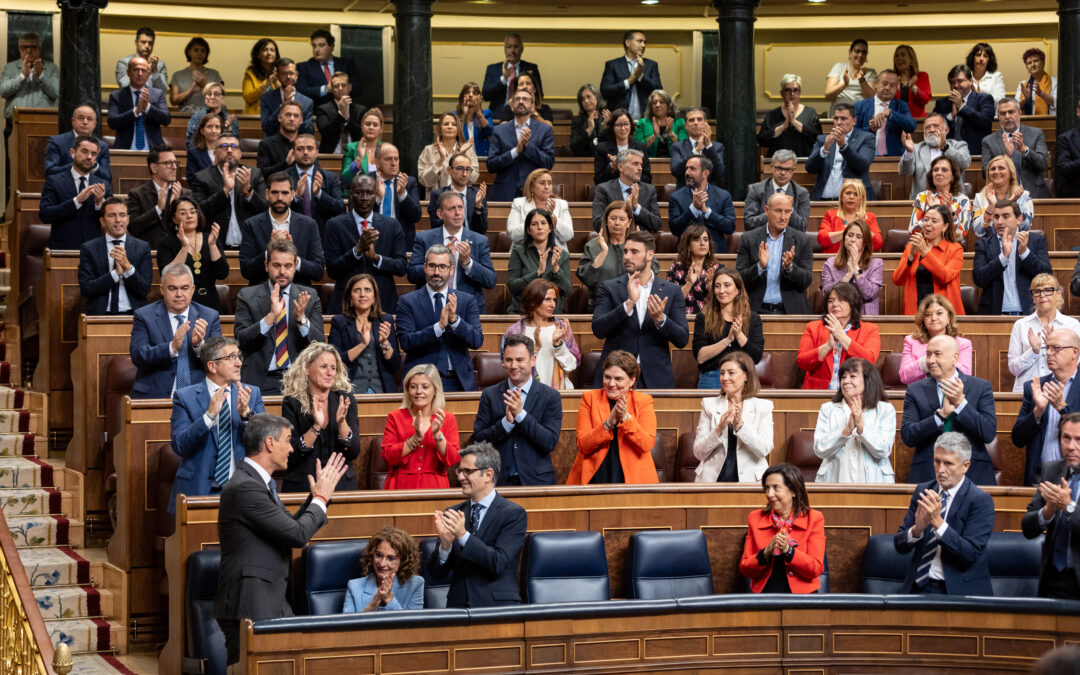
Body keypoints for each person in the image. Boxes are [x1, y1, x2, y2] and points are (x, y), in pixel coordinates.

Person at [214, 415, 347, 666]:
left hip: (269, 600)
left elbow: (290, 529)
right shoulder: (246, 487)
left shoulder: (258, 484)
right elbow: (297, 535)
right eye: (288, 440)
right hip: (251, 603)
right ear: (269, 443)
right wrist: (321, 499)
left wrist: (314, 497)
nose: (292, 447)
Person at [169, 335, 263, 513]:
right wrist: (208, 416)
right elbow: (179, 445)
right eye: (231, 358)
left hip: (244, 490)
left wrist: (247, 416)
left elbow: (265, 443)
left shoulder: (252, 394)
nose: (238, 363)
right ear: (212, 366)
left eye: (239, 357)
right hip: (200, 490)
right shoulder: (185, 397)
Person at [894, 432, 995, 595]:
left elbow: (969, 554)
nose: (940, 470)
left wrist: (938, 522)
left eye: (948, 463)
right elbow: (899, 546)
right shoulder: (923, 491)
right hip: (918, 587)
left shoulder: (980, 500)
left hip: (959, 591)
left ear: (966, 466)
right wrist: (916, 530)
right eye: (937, 461)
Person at [428, 442, 527, 607]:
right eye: (460, 471)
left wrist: (463, 536)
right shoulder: (454, 513)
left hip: (497, 608)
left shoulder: (513, 514)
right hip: (458, 607)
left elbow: (499, 563)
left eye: (467, 471)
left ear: (488, 475)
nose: (460, 477)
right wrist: (445, 546)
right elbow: (435, 574)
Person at [591, 231, 689, 388]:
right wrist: (628, 304)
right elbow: (598, 329)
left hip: (655, 377)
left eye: (634, 252)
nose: (627, 257)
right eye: (625, 251)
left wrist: (661, 319)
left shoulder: (672, 291)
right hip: (615, 378)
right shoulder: (609, 287)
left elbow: (682, 339)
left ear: (650, 255)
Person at [900, 335, 997, 485]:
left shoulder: (980, 387)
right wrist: (940, 416)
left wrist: (961, 404)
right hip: (928, 474)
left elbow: (988, 432)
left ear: (955, 358)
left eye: (937, 354)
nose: (931, 361)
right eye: (928, 355)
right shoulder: (915, 390)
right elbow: (908, 436)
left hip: (973, 474)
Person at [234, 239, 324, 396]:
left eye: (288, 266)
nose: (282, 271)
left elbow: (319, 344)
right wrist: (270, 317)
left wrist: (301, 320)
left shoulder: (309, 296)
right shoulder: (247, 296)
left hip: (298, 378)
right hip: (261, 379)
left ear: (295, 265)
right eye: (276, 265)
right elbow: (241, 340)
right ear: (266, 266)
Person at [472, 335, 562, 486]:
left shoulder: (550, 396)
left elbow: (549, 442)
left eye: (520, 360)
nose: (513, 366)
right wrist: (505, 424)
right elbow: (478, 441)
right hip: (498, 481)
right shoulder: (490, 395)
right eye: (508, 360)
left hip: (536, 481)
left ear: (532, 360)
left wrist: (521, 416)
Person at [396, 245, 483, 392]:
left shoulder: (466, 300)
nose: (436, 272)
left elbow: (476, 341)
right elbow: (406, 342)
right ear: (425, 267)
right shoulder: (407, 301)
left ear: (451, 270)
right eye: (432, 266)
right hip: (421, 383)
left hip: (457, 382)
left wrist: (455, 320)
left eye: (442, 267)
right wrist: (438, 327)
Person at [130, 262, 222, 398]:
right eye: (172, 288)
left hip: (197, 397)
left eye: (184, 288)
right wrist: (171, 347)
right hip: (155, 395)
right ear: (162, 290)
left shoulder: (209, 316)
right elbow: (138, 355)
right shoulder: (144, 316)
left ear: (192, 289)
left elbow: (218, 360)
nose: (179, 294)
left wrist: (199, 346)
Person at [568, 350, 658, 485]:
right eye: (607, 377)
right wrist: (608, 424)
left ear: (632, 380)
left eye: (618, 379)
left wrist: (627, 419)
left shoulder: (644, 401)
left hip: (633, 477)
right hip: (596, 474)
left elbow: (646, 444)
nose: (611, 383)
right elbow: (583, 445)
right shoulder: (589, 399)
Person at [281, 343, 361, 493]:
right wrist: (316, 426)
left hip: (341, 485)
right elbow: (290, 454)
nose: (330, 373)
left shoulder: (345, 399)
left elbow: (354, 451)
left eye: (333, 368)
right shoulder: (292, 402)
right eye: (323, 367)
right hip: (303, 485)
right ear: (307, 368)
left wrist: (341, 423)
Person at [324, 174, 407, 314]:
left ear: (375, 194)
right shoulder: (334, 225)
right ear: (351, 194)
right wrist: (357, 251)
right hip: (346, 304)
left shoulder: (392, 225)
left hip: (383, 302)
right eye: (359, 192)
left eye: (369, 193)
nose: (364, 197)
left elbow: (401, 266)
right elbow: (332, 270)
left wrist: (376, 258)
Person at [739, 464, 826, 593]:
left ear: (794, 491)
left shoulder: (814, 518)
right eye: (767, 488)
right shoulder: (755, 518)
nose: (769, 494)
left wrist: (789, 551)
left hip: (803, 596)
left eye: (776, 488)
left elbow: (815, 568)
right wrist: (765, 554)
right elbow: (745, 568)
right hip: (766, 595)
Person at [1021, 411, 1080, 598]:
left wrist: (1069, 506)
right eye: (1066, 438)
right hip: (1053, 578)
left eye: (1079, 440)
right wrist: (1048, 511)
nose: (1071, 446)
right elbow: (1027, 528)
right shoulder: (1052, 470)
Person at [691, 351, 773, 482]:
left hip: (750, 481)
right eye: (722, 373)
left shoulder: (763, 407)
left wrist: (741, 427)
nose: (724, 377)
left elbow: (764, 449)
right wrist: (719, 428)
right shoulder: (709, 405)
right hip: (712, 480)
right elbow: (698, 452)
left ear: (746, 376)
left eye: (731, 373)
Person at [409, 191, 496, 312]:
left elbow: (490, 280)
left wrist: (468, 263)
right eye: (452, 209)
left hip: (467, 309)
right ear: (440, 213)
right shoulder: (424, 238)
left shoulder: (479, 241)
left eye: (460, 207)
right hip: (431, 307)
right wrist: (440, 259)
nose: (458, 213)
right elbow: (412, 274)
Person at [1014, 330, 1080, 487]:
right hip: (1040, 480)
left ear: (1074, 352)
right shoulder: (1035, 387)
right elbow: (1018, 439)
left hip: (1076, 479)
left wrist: (1062, 408)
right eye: (1047, 348)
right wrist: (1037, 411)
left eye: (1055, 348)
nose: (1049, 353)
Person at [813, 358, 895, 483]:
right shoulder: (828, 409)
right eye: (843, 377)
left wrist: (862, 428)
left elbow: (884, 450)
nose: (846, 381)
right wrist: (845, 432)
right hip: (833, 482)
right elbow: (820, 449)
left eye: (852, 376)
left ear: (868, 380)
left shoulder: (885, 409)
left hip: (876, 482)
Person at [238, 172, 326, 287]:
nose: (280, 198)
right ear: (267, 194)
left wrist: (293, 258)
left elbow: (318, 271)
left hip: (298, 295)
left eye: (285, 193)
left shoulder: (309, 225)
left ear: (292, 194)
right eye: (275, 192)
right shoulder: (251, 225)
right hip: (262, 295)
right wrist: (270, 251)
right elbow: (246, 270)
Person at [382, 363, 461, 489]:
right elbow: (388, 457)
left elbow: (453, 459)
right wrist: (416, 438)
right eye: (413, 387)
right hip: (400, 486)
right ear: (407, 390)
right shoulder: (395, 417)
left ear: (435, 390)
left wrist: (437, 435)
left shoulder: (447, 418)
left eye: (425, 387)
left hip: (435, 487)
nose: (419, 392)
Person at [735, 193, 813, 315]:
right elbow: (739, 278)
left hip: (791, 311)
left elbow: (806, 281)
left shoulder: (802, 240)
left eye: (787, 212)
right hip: (755, 310)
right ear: (766, 210)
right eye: (778, 211)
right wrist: (760, 266)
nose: (783, 217)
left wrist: (790, 267)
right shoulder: (749, 238)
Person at [972, 199, 1051, 316]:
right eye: (996, 217)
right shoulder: (983, 244)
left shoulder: (1035, 241)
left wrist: (1024, 253)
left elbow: (1046, 275)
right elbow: (979, 279)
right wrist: (1003, 258)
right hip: (994, 314)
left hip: (1029, 312)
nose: (999, 222)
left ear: (1019, 219)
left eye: (1006, 216)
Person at [797, 282, 881, 390]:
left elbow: (869, 361)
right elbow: (802, 362)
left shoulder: (869, 329)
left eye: (841, 300)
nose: (835, 304)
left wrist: (842, 337)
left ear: (852, 304)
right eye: (831, 301)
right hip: (818, 393)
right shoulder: (812, 328)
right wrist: (827, 346)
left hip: (855, 393)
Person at [190, 134, 268, 250]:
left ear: (240, 153)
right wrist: (225, 191)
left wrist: (248, 191)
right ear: (215, 153)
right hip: (216, 247)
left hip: (250, 245)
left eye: (234, 146)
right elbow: (200, 212)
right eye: (224, 146)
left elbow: (265, 210)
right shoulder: (202, 177)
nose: (230, 150)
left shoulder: (254, 175)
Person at [327, 273, 401, 395]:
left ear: (374, 297)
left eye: (367, 290)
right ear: (350, 297)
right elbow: (335, 361)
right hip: (349, 390)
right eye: (357, 290)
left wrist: (384, 343)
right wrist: (362, 344)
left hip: (382, 390)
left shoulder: (385, 320)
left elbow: (395, 365)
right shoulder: (339, 322)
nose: (362, 294)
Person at [78, 197, 153, 315]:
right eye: (112, 215)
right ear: (102, 221)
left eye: (122, 215)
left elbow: (144, 290)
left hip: (134, 314)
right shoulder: (89, 248)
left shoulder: (142, 247)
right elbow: (86, 289)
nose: (118, 220)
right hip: (100, 314)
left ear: (128, 219)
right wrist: (115, 274)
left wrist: (128, 268)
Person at [503, 279, 581, 390]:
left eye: (554, 300)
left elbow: (571, 366)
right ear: (533, 301)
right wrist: (535, 350)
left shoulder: (561, 327)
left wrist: (557, 344)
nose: (553, 304)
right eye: (547, 299)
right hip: (525, 393)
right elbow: (509, 366)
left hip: (558, 391)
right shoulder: (515, 331)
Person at [578, 201, 656, 312]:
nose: (617, 223)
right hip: (602, 305)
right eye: (613, 218)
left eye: (622, 219)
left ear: (629, 222)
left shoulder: (638, 245)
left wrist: (640, 247)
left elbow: (653, 271)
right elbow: (586, 278)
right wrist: (603, 252)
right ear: (606, 221)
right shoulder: (593, 246)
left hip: (635, 303)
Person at [693, 266, 765, 387]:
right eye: (717, 286)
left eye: (727, 285)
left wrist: (739, 334)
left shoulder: (753, 318)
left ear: (737, 289)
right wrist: (727, 340)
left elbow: (756, 357)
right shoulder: (703, 318)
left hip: (742, 376)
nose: (721, 291)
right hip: (712, 376)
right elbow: (700, 357)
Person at [1008, 274, 1080, 394]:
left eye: (1048, 290)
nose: (1042, 295)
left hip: (1060, 390)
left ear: (1058, 294)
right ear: (1033, 297)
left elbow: (1077, 363)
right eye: (1037, 291)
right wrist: (1033, 351)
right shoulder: (1021, 325)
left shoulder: (1072, 325)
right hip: (1027, 392)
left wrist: (1055, 347)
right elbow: (1013, 368)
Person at [40, 134, 112, 251]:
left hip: (94, 249)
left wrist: (99, 204)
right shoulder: (54, 181)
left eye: (93, 154)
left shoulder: (103, 184)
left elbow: (111, 221)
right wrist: (76, 201)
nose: (89, 157)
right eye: (84, 151)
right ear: (72, 153)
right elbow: (45, 215)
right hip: (63, 249)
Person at [157, 197, 228, 314]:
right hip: (179, 303)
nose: (189, 216)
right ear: (174, 218)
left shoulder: (210, 238)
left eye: (192, 211)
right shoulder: (166, 242)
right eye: (183, 213)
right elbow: (167, 274)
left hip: (209, 302)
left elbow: (222, 273)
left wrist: (212, 245)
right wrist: (184, 248)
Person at [892, 204, 964, 316]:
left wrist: (925, 252)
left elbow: (946, 276)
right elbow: (897, 280)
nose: (928, 224)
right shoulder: (913, 247)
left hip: (945, 316)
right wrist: (910, 258)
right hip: (916, 314)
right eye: (926, 220)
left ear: (945, 226)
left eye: (934, 221)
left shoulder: (955, 249)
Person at [486, 89, 555, 202]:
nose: (521, 101)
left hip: (534, 193)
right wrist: (515, 151)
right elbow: (491, 165)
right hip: (505, 193)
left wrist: (528, 147)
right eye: (517, 99)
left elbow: (548, 162)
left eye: (525, 99)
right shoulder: (499, 130)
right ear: (512, 106)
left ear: (532, 105)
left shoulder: (544, 130)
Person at [981, 97, 1050, 199]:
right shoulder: (989, 141)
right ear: (998, 117)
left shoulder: (1036, 134)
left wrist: (1024, 149)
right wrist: (1006, 157)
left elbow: (1043, 164)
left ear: (1019, 113)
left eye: (1011, 112)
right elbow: (984, 172)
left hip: (1034, 194)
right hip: (1003, 197)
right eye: (1003, 113)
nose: (1007, 116)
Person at [343, 527, 424, 612]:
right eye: (378, 555)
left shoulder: (415, 584)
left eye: (391, 558)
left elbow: (413, 624)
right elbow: (346, 625)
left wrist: (389, 599)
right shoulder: (354, 586)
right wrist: (372, 605)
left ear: (403, 561)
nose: (382, 564)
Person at [805, 103, 876, 200]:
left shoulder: (866, 138)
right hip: (823, 201)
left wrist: (843, 146)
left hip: (854, 201)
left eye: (843, 118)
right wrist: (824, 149)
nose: (838, 122)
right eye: (836, 118)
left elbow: (862, 166)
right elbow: (810, 168)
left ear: (854, 121)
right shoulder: (823, 140)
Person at [127, 144, 192, 249]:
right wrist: (158, 209)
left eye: (175, 163)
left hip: (179, 250)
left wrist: (176, 205)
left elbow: (194, 226)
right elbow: (133, 227)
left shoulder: (186, 194)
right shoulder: (137, 194)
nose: (174, 167)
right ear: (154, 168)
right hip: (150, 252)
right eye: (168, 163)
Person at [899, 294, 973, 385]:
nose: (933, 318)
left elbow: (965, 375)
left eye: (939, 313)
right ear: (923, 319)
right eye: (928, 315)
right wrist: (925, 362)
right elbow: (904, 376)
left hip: (951, 391)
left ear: (949, 317)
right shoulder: (911, 341)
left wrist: (939, 359)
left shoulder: (963, 344)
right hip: (920, 393)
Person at [1, 32, 59, 146]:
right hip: (14, 123)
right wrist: (22, 77)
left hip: (44, 124)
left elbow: (56, 92)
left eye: (33, 47)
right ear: (19, 49)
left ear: (39, 49)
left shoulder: (52, 68)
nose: (28, 51)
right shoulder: (10, 67)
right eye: (24, 47)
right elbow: (3, 91)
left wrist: (41, 76)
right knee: (12, 162)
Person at [508, 209, 570, 314]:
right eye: (534, 224)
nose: (539, 227)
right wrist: (537, 273)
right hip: (523, 314)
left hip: (552, 315)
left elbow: (568, 290)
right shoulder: (518, 252)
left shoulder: (561, 254)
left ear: (550, 228)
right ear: (528, 230)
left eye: (543, 223)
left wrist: (556, 269)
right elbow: (513, 287)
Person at [898, 112, 972, 201]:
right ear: (924, 132)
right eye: (927, 127)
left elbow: (965, 163)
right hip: (923, 202)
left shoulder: (959, 146)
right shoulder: (916, 148)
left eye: (936, 126)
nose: (932, 130)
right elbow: (905, 172)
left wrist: (945, 147)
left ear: (946, 130)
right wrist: (909, 152)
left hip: (953, 201)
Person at [668, 156, 735, 251]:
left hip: (716, 253)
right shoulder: (676, 197)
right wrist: (693, 209)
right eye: (686, 168)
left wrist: (707, 212)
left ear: (705, 174)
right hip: (687, 254)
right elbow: (675, 229)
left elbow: (730, 227)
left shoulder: (723, 196)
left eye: (692, 169)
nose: (687, 172)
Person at [107, 57, 171, 152]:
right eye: (136, 70)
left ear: (149, 73)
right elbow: (112, 122)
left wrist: (148, 107)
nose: (140, 74)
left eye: (143, 70)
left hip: (154, 151)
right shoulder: (117, 96)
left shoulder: (157, 94)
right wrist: (135, 111)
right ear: (128, 72)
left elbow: (166, 120)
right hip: (125, 150)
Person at [931, 64, 994, 160]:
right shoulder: (942, 103)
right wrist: (951, 117)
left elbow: (984, 122)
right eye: (952, 82)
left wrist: (961, 107)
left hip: (975, 155)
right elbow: (933, 126)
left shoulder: (984, 99)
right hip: (947, 156)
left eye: (960, 81)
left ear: (970, 81)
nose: (955, 85)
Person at [286, 133, 346, 234]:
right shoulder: (283, 177)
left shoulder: (330, 177)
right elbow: (277, 208)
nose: (305, 152)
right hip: (292, 233)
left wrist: (320, 194)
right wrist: (295, 196)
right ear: (293, 153)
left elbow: (340, 208)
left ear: (316, 152)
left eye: (310, 148)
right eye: (300, 149)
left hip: (322, 233)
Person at [821, 220, 883, 315]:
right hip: (837, 318)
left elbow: (869, 294)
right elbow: (828, 296)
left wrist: (856, 269)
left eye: (858, 237)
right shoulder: (830, 264)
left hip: (865, 318)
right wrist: (848, 275)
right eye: (850, 235)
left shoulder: (876, 263)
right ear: (844, 238)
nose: (853, 239)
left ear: (865, 242)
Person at [591, 149, 661, 234]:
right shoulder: (604, 190)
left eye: (641, 165)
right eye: (635, 164)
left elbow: (657, 224)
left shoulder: (649, 190)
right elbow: (598, 223)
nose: (640, 168)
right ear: (621, 167)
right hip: (612, 243)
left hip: (640, 243)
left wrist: (636, 207)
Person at [908, 156, 974, 241]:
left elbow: (960, 236)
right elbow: (912, 231)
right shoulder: (922, 197)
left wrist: (950, 212)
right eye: (935, 170)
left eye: (944, 170)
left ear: (952, 177)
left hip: (952, 249)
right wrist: (932, 211)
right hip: (925, 246)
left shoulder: (963, 201)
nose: (939, 173)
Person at [600, 30, 662, 120]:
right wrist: (628, 81)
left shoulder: (651, 65)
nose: (643, 45)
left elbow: (659, 91)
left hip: (645, 120)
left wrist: (640, 76)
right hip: (619, 121)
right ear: (628, 43)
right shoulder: (613, 65)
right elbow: (605, 91)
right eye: (639, 41)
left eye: (644, 42)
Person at [744, 150, 811, 233]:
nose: (783, 173)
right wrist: (771, 212)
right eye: (779, 168)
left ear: (793, 171)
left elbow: (802, 227)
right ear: (772, 167)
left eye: (787, 169)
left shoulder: (801, 193)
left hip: (790, 240)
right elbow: (749, 224)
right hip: (762, 238)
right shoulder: (756, 189)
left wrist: (789, 209)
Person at [757, 74, 822, 158]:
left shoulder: (810, 113)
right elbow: (762, 140)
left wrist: (794, 122)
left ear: (800, 92)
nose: (792, 94)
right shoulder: (772, 114)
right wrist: (783, 126)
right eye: (788, 90)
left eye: (795, 90)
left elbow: (818, 138)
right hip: (778, 164)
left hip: (803, 162)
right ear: (781, 93)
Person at [854, 69, 916, 157]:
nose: (887, 88)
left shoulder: (901, 106)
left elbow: (912, 126)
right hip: (866, 158)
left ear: (896, 88)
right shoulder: (860, 106)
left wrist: (891, 114)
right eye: (884, 84)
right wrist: (870, 129)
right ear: (876, 84)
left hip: (894, 157)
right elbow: (852, 134)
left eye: (892, 85)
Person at [370, 143, 422, 248]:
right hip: (373, 238)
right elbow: (359, 214)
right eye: (388, 159)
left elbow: (416, 216)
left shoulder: (408, 182)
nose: (393, 163)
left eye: (396, 159)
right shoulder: (367, 181)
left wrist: (402, 194)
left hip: (400, 240)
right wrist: (377, 198)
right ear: (377, 162)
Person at [505, 168, 572, 245]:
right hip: (524, 252)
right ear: (532, 186)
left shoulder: (562, 204)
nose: (546, 187)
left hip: (555, 253)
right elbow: (512, 234)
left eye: (549, 183)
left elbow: (568, 235)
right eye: (542, 183)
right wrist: (533, 223)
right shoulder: (519, 203)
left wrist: (553, 219)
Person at [44, 105, 110, 183]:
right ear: (73, 121)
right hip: (64, 188)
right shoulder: (57, 142)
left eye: (89, 119)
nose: (85, 122)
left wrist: (94, 165)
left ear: (94, 125)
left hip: (91, 189)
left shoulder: (102, 146)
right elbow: (50, 171)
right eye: (81, 118)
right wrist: (77, 164)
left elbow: (107, 177)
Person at [973, 154, 1034, 237]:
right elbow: (977, 231)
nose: (996, 171)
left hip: (1016, 244)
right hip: (989, 246)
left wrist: (1012, 204)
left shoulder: (1023, 196)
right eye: (993, 169)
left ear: (1011, 173)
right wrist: (990, 207)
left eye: (1001, 168)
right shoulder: (980, 198)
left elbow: (1026, 227)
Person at [297, 29, 360, 108]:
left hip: (346, 109)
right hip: (318, 112)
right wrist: (325, 89)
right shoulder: (303, 67)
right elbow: (301, 92)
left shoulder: (346, 64)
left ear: (331, 46)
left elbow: (357, 88)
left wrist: (342, 87)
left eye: (321, 45)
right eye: (314, 46)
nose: (317, 50)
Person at [817, 179, 883, 254]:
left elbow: (878, 243)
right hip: (834, 261)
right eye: (848, 193)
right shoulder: (830, 215)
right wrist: (847, 232)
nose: (851, 197)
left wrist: (863, 226)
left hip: (862, 262)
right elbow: (822, 239)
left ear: (861, 199)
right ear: (841, 196)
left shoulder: (870, 217)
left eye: (856, 194)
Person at [482, 33, 543, 113]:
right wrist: (503, 79)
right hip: (498, 116)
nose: (512, 50)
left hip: (524, 113)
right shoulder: (492, 69)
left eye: (516, 47)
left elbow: (540, 95)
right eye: (509, 47)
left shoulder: (531, 68)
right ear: (504, 49)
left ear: (522, 49)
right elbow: (486, 95)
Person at [428, 152, 489, 234]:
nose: (464, 174)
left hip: (471, 241)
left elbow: (482, 230)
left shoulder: (477, 195)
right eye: (460, 168)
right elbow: (435, 227)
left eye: (468, 169)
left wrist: (478, 207)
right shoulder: (439, 195)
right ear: (449, 170)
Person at [418, 112, 480, 191]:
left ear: (458, 129)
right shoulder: (428, 150)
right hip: (437, 200)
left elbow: (473, 179)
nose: (450, 127)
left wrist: (462, 156)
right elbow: (424, 181)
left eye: (454, 124)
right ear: (440, 128)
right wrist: (440, 161)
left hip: (461, 200)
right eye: (446, 124)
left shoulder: (468, 151)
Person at [667, 225, 718, 315]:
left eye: (705, 239)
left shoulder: (717, 268)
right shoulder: (677, 268)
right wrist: (689, 283)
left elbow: (722, 302)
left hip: (708, 320)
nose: (702, 243)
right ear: (688, 246)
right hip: (682, 319)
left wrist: (711, 288)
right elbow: (671, 301)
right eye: (697, 240)